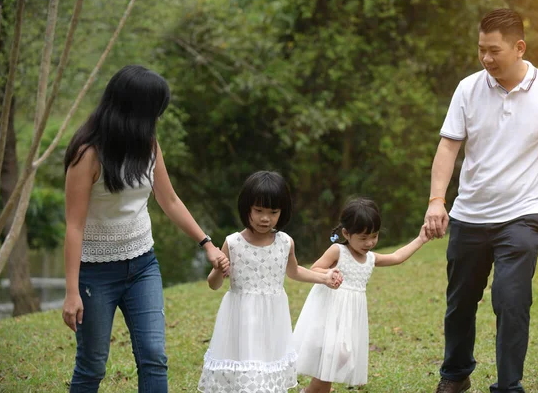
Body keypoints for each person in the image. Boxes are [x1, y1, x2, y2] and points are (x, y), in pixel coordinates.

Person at [424, 9, 538, 393]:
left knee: (511, 302)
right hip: (469, 214)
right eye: (481, 50)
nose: (486, 58)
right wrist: (436, 200)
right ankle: (455, 375)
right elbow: (448, 147)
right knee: (460, 303)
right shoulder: (468, 88)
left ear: (519, 47)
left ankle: (509, 386)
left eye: (494, 50)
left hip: (523, 215)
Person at [62, 65, 226, 392]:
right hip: (95, 273)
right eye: (154, 112)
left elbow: (170, 201)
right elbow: (74, 227)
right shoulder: (88, 155)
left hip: (142, 266)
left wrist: (206, 243)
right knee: (92, 365)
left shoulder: (148, 146)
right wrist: (71, 291)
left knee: (153, 355)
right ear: (133, 111)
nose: (157, 119)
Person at [197, 170, 343, 393]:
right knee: (245, 372)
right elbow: (214, 284)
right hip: (241, 319)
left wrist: (323, 277)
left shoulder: (285, 242)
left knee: (266, 372)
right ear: (247, 207)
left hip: (273, 319)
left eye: (273, 212)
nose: (265, 218)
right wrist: (219, 269)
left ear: (282, 212)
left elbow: (294, 272)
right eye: (259, 210)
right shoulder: (233, 243)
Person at [293, 197, 430, 393]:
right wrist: (329, 274)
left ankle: (321, 387)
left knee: (341, 355)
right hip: (330, 311)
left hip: (351, 316)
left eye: (374, 236)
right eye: (363, 238)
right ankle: (313, 390)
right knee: (333, 353)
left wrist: (421, 239)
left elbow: (397, 257)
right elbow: (315, 268)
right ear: (346, 234)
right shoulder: (337, 251)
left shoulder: (370, 258)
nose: (370, 242)